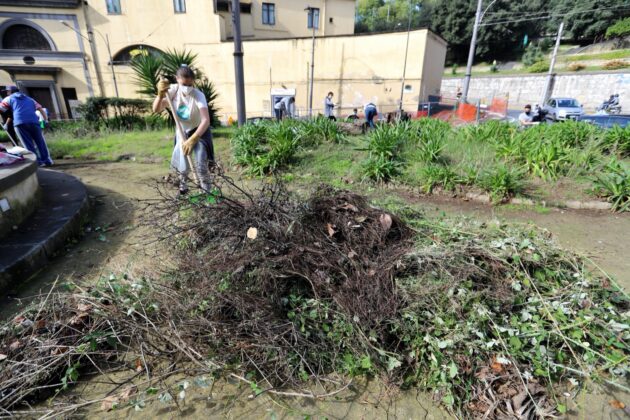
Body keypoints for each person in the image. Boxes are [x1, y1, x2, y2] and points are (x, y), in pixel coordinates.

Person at [153, 65, 214, 195]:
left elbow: (206, 121)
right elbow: (156, 109)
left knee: (201, 165)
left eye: (189, 84)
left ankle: (207, 194)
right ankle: (183, 191)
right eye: (183, 84)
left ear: (193, 82)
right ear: (177, 79)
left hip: (199, 131)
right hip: (182, 131)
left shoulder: (198, 95)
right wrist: (159, 96)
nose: (187, 87)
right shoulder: (172, 92)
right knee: (183, 166)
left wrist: (193, 139)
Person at [0, 86, 53, 166]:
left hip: (20, 123)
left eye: (7, 91)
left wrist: (7, 121)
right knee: (40, 142)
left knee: (28, 144)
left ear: (10, 91)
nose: (7, 93)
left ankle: (37, 162)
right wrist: (46, 120)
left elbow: (1, 109)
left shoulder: (8, 98)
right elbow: (40, 109)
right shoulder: (30, 99)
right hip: (34, 122)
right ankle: (47, 161)